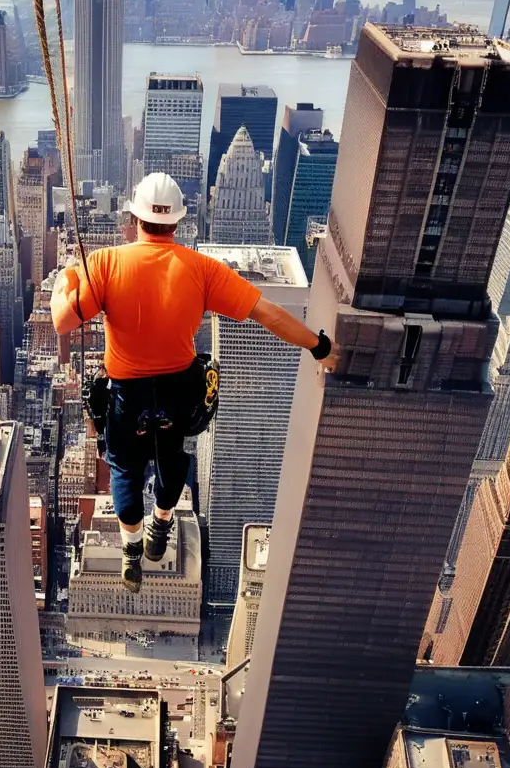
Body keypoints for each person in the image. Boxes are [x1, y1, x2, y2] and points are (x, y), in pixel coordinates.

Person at [51, 172, 334, 593]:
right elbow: (268, 313)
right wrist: (318, 345)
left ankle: (131, 549)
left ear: (133, 216)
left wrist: (67, 280)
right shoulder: (202, 269)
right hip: (177, 391)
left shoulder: (106, 264)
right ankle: (160, 527)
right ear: (179, 223)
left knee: (125, 467)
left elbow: (62, 320)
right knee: (172, 458)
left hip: (127, 394)